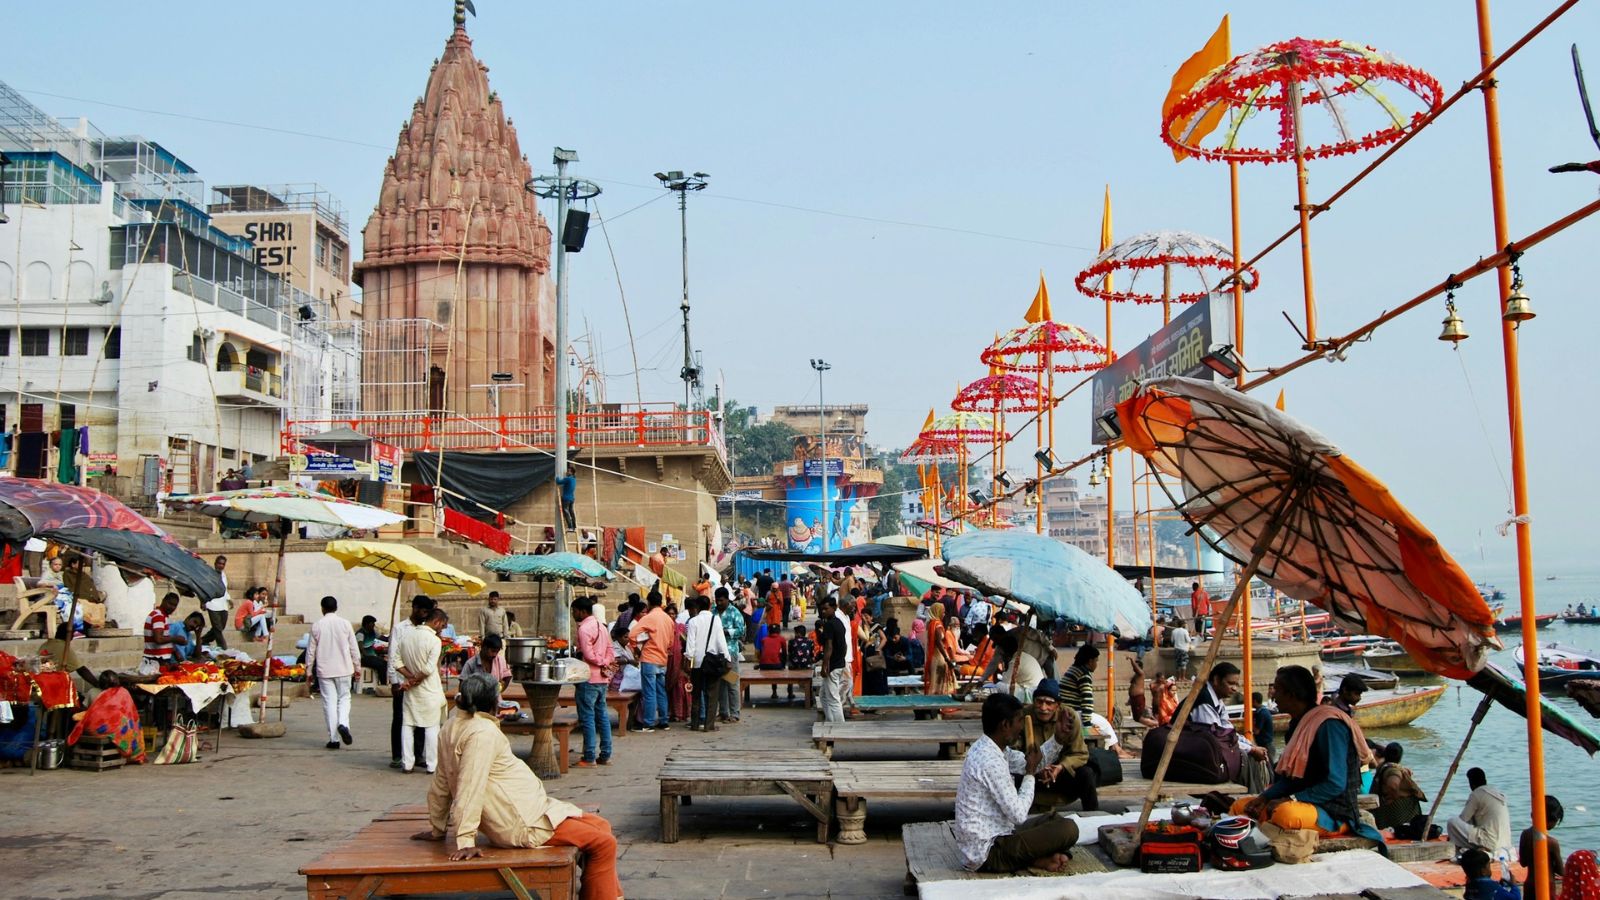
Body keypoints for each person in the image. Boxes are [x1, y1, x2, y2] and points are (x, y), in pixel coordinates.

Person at [416, 672, 622, 900]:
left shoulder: (453, 724)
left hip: (527, 809)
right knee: (605, 844)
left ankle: (599, 891)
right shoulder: (481, 733)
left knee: (600, 825)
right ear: (493, 703)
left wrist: (437, 827)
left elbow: (442, 781)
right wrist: (465, 840)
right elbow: (468, 786)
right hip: (522, 821)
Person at [1240, 665, 1385, 847]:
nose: (1273, 695)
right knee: (1242, 807)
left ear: (1291, 694)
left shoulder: (1329, 725)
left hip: (1333, 811)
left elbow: (1335, 783)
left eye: (1276, 690)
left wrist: (1292, 799)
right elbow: (1293, 777)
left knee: (1284, 814)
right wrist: (1264, 797)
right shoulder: (1299, 723)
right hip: (1304, 801)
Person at [953, 692, 1078, 873]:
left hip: (1002, 834)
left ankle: (1038, 858)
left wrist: (1057, 739)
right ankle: (1036, 858)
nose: (1021, 727)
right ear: (1005, 725)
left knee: (1053, 819)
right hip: (988, 853)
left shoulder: (993, 748)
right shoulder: (989, 760)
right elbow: (1019, 814)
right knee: (1068, 829)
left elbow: (1033, 762)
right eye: (1019, 721)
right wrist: (1029, 774)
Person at [1022, 679, 1099, 812]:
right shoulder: (1024, 716)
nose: (1043, 708)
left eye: (1049, 703)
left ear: (1057, 705)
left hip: (1061, 773)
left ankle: (1093, 815)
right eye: (1039, 702)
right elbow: (1015, 752)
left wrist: (1061, 767)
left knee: (1087, 774)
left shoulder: (1069, 717)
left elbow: (1080, 754)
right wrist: (1035, 769)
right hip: (1032, 772)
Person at [306, 595, 361, 750]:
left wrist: (308, 670)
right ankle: (343, 723)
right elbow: (354, 648)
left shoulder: (317, 625)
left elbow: (310, 651)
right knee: (344, 698)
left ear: (322, 608)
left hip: (325, 670)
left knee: (329, 702)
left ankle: (334, 738)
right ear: (336, 608)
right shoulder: (345, 624)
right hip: (344, 668)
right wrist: (357, 667)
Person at [396, 607, 448, 774]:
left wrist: (409, 678)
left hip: (412, 691)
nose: (442, 629)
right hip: (429, 690)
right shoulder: (434, 641)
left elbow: (396, 662)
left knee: (408, 724)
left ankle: (407, 763)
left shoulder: (406, 635)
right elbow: (428, 669)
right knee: (431, 727)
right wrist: (414, 679)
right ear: (437, 622)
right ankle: (432, 765)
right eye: (443, 625)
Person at [390, 596, 434, 769]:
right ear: (415, 608)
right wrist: (394, 681)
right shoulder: (400, 628)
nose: (425, 615)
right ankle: (397, 755)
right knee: (400, 719)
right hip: (402, 680)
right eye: (423, 611)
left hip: (421, 682)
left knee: (421, 719)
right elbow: (393, 656)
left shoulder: (427, 630)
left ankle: (419, 755)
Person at [570, 596, 615, 767]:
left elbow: (588, 655)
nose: (573, 614)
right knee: (602, 716)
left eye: (574, 611)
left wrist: (601, 661)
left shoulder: (584, 629)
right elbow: (610, 649)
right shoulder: (601, 627)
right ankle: (605, 754)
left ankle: (589, 756)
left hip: (588, 678)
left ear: (582, 611)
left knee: (588, 717)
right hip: (602, 678)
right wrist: (606, 661)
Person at [1193, 662, 1269, 762]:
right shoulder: (1204, 702)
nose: (1234, 689)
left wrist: (1251, 746)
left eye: (1236, 684)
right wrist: (1252, 750)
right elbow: (1217, 738)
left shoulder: (1218, 701)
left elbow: (1229, 732)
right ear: (1216, 680)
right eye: (1230, 683)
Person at [627, 591, 675, 732]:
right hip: (662, 658)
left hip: (649, 657)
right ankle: (664, 721)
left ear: (649, 603)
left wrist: (636, 648)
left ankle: (648, 723)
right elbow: (671, 642)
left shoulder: (649, 617)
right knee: (661, 691)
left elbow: (631, 635)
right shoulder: (668, 619)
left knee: (649, 692)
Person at [1449, 767, 1513, 861]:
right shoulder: (1495, 792)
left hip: (1490, 842)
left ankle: (1468, 848)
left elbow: (1463, 819)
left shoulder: (1477, 793)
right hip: (1504, 842)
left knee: (1452, 822)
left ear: (1471, 783)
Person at [685, 596, 729, 731]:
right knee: (712, 694)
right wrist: (727, 658)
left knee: (696, 694)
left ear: (697, 606)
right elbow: (721, 641)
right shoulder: (716, 620)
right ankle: (709, 725)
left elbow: (690, 643)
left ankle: (695, 723)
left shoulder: (693, 621)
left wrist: (688, 659)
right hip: (712, 662)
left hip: (697, 662)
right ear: (710, 605)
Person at [1367, 741, 1427, 832]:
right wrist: (1393, 797)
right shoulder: (1393, 770)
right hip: (1400, 810)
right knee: (1405, 830)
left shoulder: (1383, 766)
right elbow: (1393, 784)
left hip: (1386, 809)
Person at [714, 587, 746, 723]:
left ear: (727, 599)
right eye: (717, 600)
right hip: (716, 653)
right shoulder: (713, 612)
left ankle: (735, 713)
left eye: (721, 600)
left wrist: (726, 632)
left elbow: (741, 631)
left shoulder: (735, 613)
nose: (719, 603)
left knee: (732, 683)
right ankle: (723, 712)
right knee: (720, 684)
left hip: (730, 652)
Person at [817, 596, 850, 723]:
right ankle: (830, 721)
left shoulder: (830, 624)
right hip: (839, 663)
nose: (823, 611)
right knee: (823, 695)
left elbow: (829, 646)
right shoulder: (838, 623)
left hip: (833, 665)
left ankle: (840, 727)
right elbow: (843, 645)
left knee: (833, 698)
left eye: (826, 609)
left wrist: (825, 666)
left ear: (834, 608)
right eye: (822, 609)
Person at [1519, 795, 1565, 882]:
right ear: (1552, 820)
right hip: (1547, 885)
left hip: (1530, 883)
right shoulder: (1552, 843)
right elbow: (1561, 871)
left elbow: (1523, 863)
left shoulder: (1525, 834)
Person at [139, 592, 182, 675]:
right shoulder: (158, 616)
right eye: (170, 603)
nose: (172, 607)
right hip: (156, 661)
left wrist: (175, 651)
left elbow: (164, 638)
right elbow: (159, 639)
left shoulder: (162, 616)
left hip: (160, 660)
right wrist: (176, 639)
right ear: (163, 601)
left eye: (174, 605)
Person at [1060, 645, 1099, 725]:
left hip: (1064, 710)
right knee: (1105, 725)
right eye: (1096, 661)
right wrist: (1087, 722)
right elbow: (1087, 700)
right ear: (1090, 661)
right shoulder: (1083, 675)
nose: (1096, 664)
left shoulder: (1073, 669)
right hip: (1072, 713)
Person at [202, 555, 230, 649]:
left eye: (223, 564)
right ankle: (223, 647)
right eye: (219, 563)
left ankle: (203, 640)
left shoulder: (223, 575)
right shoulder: (209, 574)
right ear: (215, 564)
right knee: (218, 629)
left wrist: (229, 599)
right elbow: (204, 588)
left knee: (221, 626)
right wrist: (203, 601)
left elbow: (225, 589)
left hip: (223, 604)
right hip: (212, 604)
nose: (221, 566)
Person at [1128, 659, 1157, 727]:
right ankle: (1152, 724)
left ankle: (1156, 723)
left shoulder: (1141, 673)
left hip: (1138, 697)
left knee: (1139, 717)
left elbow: (1135, 667)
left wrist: (1131, 660)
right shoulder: (1136, 675)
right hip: (1134, 698)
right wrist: (1130, 699)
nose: (1134, 668)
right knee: (1136, 717)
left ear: (1140, 667)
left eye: (1136, 666)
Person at [1253, 690, 1277, 764]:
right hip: (1266, 744)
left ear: (1254, 701)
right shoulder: (1262, 711)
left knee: (1270, 767)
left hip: (1267, 745)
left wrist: (1250, 722)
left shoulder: (1262, 713)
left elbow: (1256, 731)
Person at [556, 465, 577, 531]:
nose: (567, 472)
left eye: (568, 471)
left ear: (571, 472)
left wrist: (557, 476)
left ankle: (570, 527)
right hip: (572, 498)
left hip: (566, 498)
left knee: (566, 511)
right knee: (571, 512)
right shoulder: (574, 479)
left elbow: (558, 482)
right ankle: (574, 526)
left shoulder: (568, 478)